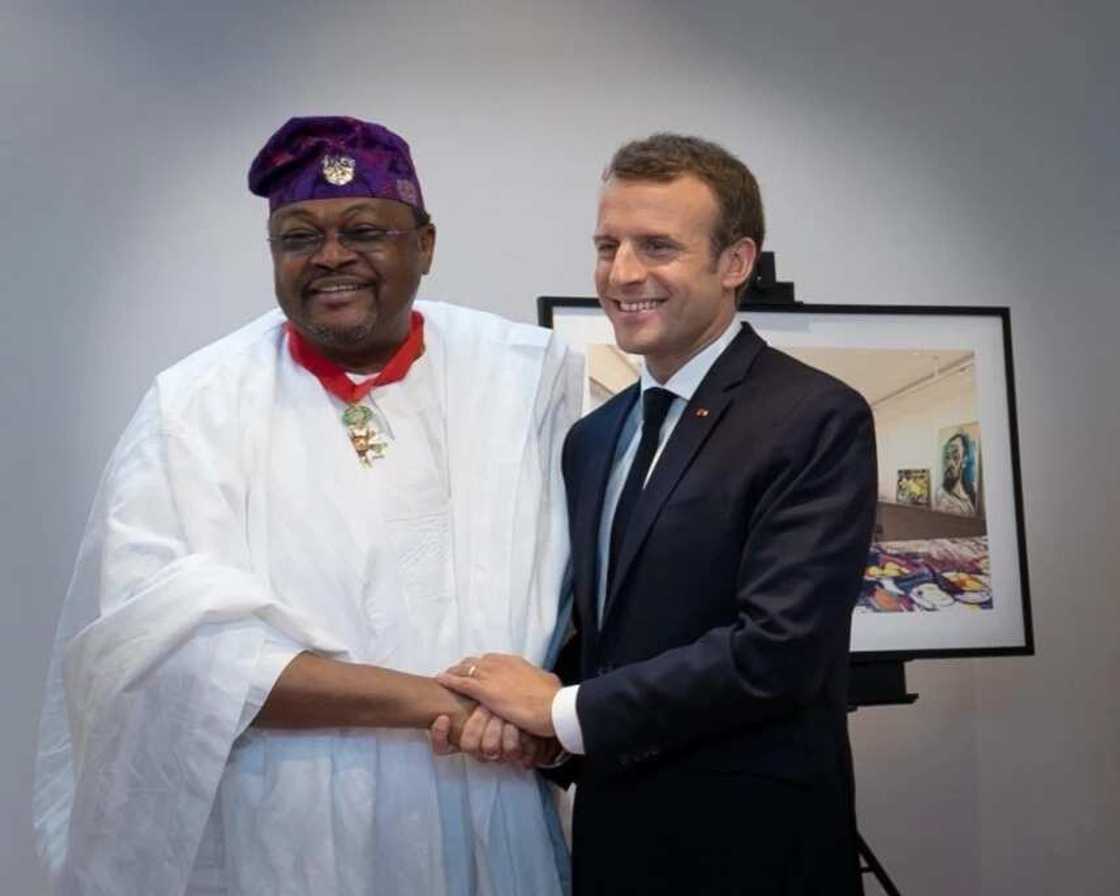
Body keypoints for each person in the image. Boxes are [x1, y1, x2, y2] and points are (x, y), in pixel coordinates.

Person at [33, 116, 579, 895]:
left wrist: (549, 724)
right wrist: (441, 704)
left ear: (423, 244)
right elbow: (170, 656)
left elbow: (606, 592)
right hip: (285, 832)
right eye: (298, 237)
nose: (330, 257)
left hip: (486, 809)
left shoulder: (528, 377)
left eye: (364, 229)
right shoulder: (196, 406)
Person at [437, 133, 878, 895]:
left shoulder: (814, 417)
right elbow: (607, 639)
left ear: (735, 263)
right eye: (608, 245)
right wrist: (542, 733)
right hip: (616, 845)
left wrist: (561, 709)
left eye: (658, 246)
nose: (623, 273)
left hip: (758, 855)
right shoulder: (593, 439)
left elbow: (777, 653)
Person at [935, 430, 979, 515]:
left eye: (955, 456)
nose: (950, 463)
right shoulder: (941, 495)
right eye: (947, 456)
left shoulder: (969, 498)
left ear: (964, 460)